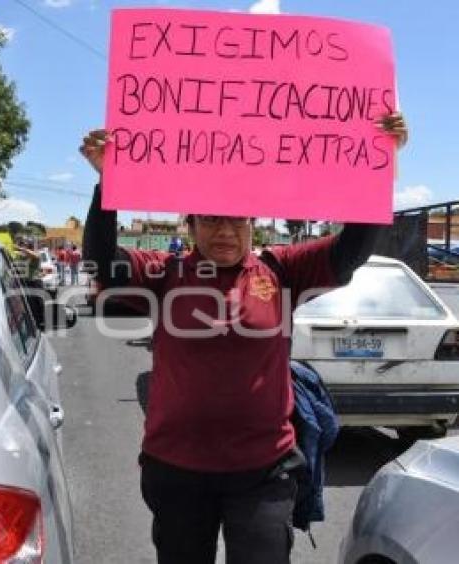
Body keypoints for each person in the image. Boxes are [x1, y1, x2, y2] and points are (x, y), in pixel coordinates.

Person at [79, 113, 408, 564]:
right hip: (176, 469)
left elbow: (349, 252)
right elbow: (101, 261)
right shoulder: (164, 273)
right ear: (190, 226)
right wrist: (107, 183)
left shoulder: (282, 270)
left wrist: (376, 170)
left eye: (237, 219)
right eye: (211, 219)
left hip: (262, 472)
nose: (226, 231)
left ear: (253, 222)